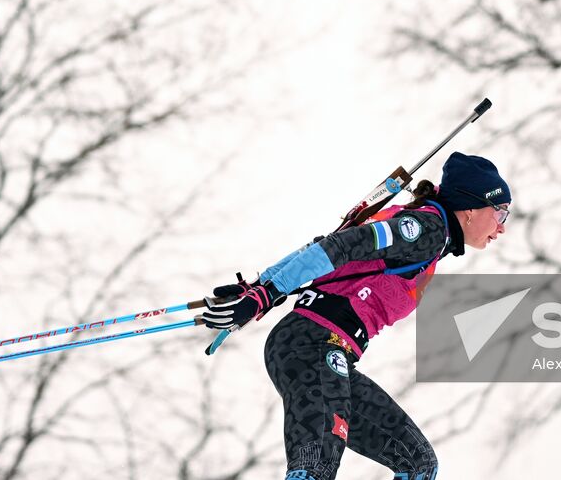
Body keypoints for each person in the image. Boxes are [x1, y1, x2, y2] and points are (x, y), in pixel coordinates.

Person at [202, 152, 511, 480]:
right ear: (472, 208)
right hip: (313, 344)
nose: (502, 227)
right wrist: (266, 291)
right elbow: (340, 246)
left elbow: (322, 246)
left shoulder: (432, 233)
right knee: (315, 469)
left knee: (418, 465)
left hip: (325, 349)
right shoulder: (426, 229)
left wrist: (259, 287)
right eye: (501, 212)